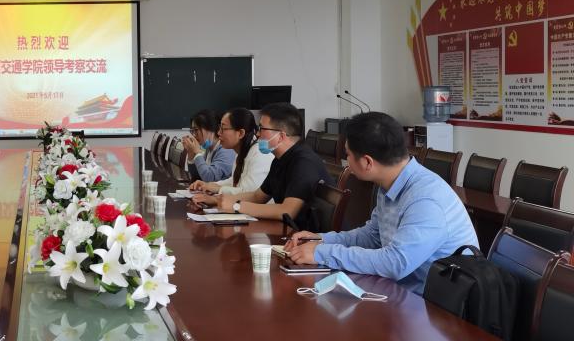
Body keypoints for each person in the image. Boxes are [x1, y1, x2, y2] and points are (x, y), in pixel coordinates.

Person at [286, 111, 478, 292]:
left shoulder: (425, 199)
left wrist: (322, 253)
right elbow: (373, 237)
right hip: (400, 291)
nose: (346, 161)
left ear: (367, 162)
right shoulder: (388, 184)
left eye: (348, 155)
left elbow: (395, 263)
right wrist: (321, 239)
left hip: (434, 304)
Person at [213, 102, 329, 232]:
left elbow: (287, 211)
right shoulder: (279, 160)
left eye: (262, 129)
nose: (257, 134)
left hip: (307, 237)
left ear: (281, 136)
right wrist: (223, 200)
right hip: (288, 231)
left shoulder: (303, 162)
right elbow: (258, 197)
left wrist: (237, 206)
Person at [189, 107, 274, 203]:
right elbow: (234, 181)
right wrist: (210, 185)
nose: (219, 133)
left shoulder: (260, 154)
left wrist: (218, 190)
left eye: (223, 129)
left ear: (240, 133)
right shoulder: (241, 151)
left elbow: (248, 193)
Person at [181, 109, 234, 182]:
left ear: (212, 129)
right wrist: (191, 153)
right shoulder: (209, 148)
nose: (194, 135)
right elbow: (197, 176)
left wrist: (197, 153)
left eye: (196, 130)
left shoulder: (226, 150)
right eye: (192, 131)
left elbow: (209, 178)